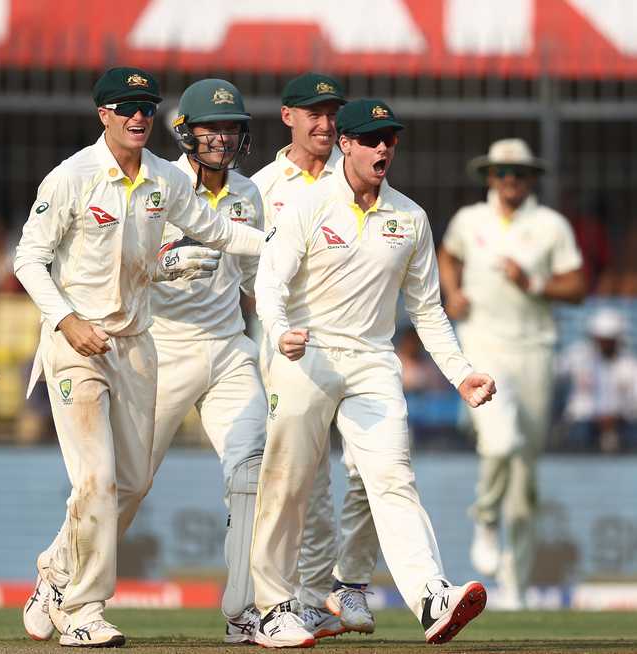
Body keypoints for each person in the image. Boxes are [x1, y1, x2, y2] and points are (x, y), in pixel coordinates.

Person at [14, 67, 266, 648]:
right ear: (102, 113)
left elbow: (220, 232)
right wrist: (67, 320)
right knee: (99, 478)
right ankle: (82, 609)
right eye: (125, 107)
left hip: (136, 345)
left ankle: (54, 576)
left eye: (145, 107)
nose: (136, 117)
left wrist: (281, 247)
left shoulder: (161, 180)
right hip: (78, 344)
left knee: (129, 482)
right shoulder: (72, 177)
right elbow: (29, 259)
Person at [252, 98, 497, 648]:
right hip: (306, 352)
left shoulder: (409, 217)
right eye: (370, 139)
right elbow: (270, 280)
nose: (382, 148)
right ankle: (271, 607)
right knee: (288, 482)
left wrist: (460, 374)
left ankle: (432, 596)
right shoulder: (310, 205)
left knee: (392, 478)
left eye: (390, 139)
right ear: (345, 144)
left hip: (372, 361)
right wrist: (279, 330)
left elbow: (428, 308)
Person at [250, 72, 379, 637]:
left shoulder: (354, 173)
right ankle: (298, 599)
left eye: (332, 113)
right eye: (313, 113)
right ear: (288, 117)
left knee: (370, 466)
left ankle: (343, 585)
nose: (325, 124)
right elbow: (246, 274)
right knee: (303, 478)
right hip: (285, 348)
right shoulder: (259, 187)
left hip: (355, 346)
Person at [439, 138, 586, 609]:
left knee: (526, 476)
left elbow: (578, 285)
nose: (510, 181)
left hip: (535, 350)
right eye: (503, 173)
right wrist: (453, 291)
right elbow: (448, 254)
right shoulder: (469, 220)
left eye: (519, 173)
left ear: (530, 179)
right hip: (483, 345)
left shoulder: (549, 226)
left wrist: (534, 282)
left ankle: (517, 586)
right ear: (490, 177)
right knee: (500, 442)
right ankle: (484, 516)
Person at [147, 78, 264, 643]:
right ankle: (60, 581)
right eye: (210, 127)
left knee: (251, 473)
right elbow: (119, 266)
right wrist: (165, 262)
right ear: (186, 131)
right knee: (123, 484)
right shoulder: (157, 185)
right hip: (161, 347)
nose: (221, 137)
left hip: (227, 347)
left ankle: (243, 612)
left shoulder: (247, 194)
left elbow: (255, 282)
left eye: (230, 127)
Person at [559, 308, 637, 453]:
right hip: (583, 420)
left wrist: (616, 416)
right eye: (601, 339)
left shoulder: (630, 364)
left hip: (620, 422)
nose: (604, 344)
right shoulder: (577, 356)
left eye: (609, 340)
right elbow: (556, 376)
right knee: (578, 435)